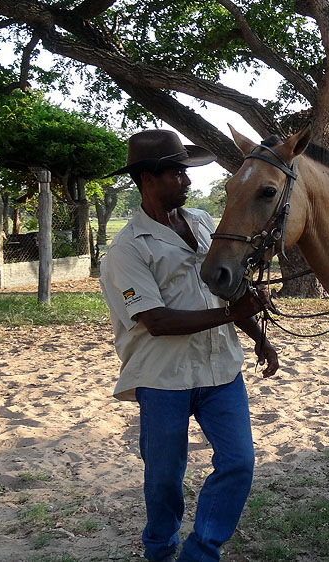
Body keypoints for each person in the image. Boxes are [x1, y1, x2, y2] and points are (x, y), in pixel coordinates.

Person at [99, 129, 279, 562]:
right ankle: (160, 550)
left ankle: (200, 552)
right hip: (163, 378)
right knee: (164, 477)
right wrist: (232, 317)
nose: (188, 181)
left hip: (221, 370)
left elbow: (227, 289)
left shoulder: (200, 221)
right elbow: (156, 321)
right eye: (177, 173)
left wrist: (258, 337)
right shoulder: (126, 250)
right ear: (148, 178)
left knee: (238, 463)